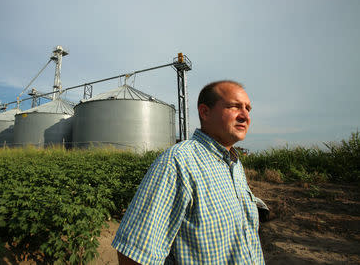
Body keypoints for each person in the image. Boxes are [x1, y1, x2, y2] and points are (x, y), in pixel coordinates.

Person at [111, 80, 265, 264]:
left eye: (248, 109)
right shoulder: (179, 162)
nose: (245, 116)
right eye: (234, 107)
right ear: (205, 112)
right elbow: (133, 256)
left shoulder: (234, 163)